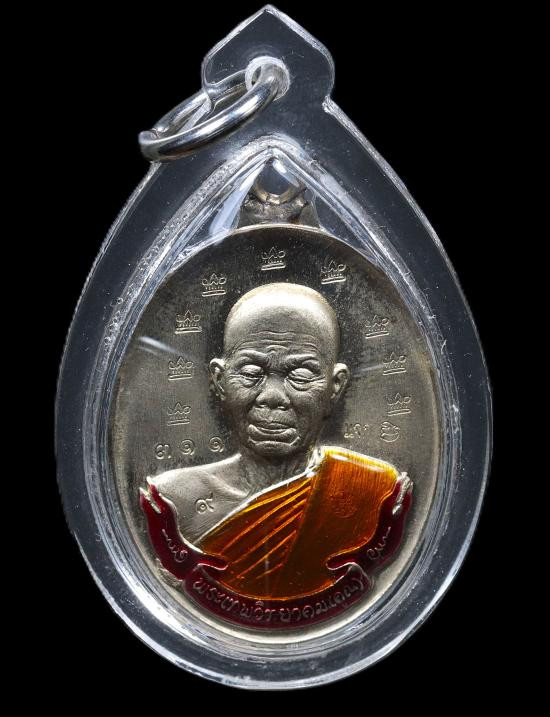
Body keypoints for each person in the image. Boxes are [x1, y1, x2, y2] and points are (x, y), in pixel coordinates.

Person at [142, 282, 411, 600]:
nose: (272, 397)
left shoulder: (374, 492)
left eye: (301, 375)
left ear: (335, 386)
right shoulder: (173, 501)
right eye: (251, 372)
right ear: (220, 380)